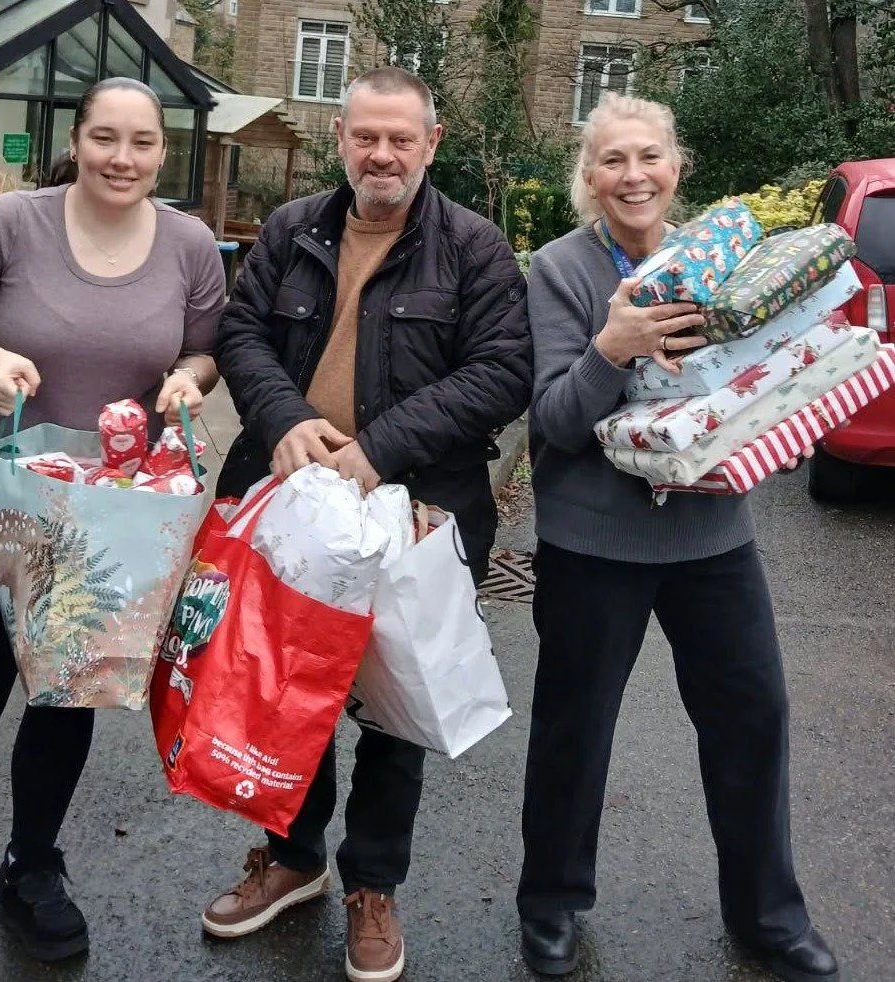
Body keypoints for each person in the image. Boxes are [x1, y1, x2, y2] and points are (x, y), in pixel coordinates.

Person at [208, 66, 532, 982]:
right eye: (365, 137)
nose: (380, 154)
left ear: (431, 144)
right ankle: (294, 858)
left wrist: (380, 446)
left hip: (418, 513)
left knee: (396, 710)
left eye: (401, 139)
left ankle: (372, 884)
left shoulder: (474, 247)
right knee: (289, 693)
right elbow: (241, 336)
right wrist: (282, 419)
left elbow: (503, 370)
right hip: (295, 507)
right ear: (340, 138)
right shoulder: (291, 227)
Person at [517, 91, 839, 982]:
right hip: (594, 545)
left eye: (649, 156)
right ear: (590, 176)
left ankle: (768, 914)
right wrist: (610, 346)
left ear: (676, 166)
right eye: (614, 160)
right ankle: (550, 904)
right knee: (575, 732)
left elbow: (761, 376)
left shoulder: (723, 260)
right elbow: (553, 421)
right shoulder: (560, 271)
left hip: (712, 537)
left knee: (752, 718)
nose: (634, 175)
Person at [0, 76, 223, 979]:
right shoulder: (12, 225)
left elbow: (204, 346)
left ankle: (31, 869)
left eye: (141, 143)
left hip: (108, 522)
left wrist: (188, 382)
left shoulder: (191, 244)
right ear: (78, 140)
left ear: (163, 152)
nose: (121, 159)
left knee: (67, 701)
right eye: (104, 139)